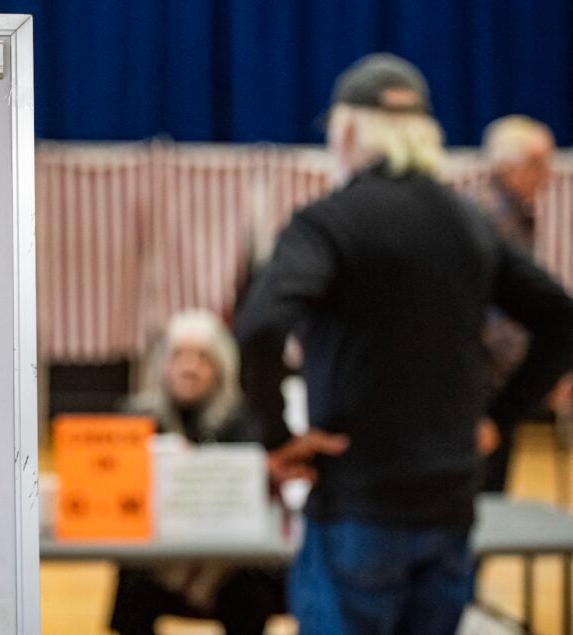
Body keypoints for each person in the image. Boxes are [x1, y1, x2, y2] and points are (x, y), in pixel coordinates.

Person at [234, 53, 573, 634]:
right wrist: (502, 416)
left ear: (344, 132)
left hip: (357, 503)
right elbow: (561, 318)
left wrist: (278, 439)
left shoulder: (329, 223)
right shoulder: (470, 222)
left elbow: (262, 324)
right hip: (450, 506)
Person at [109, 309, 284, 635]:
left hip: (224, 562)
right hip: (156, 556)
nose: (189, 368)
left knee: (250, 593)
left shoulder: (242, 421)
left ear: (220, 367)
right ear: (163, 365)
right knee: (132, 589)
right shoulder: (135, 418)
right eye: (179, 356)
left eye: (202, 357)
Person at [475, 115, 572, 490]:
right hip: (485, 386)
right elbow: (496, 317)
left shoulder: (511, 213)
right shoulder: (491, 217)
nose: (547, 175)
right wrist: (540, 375)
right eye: (537, 163)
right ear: (507, 166)